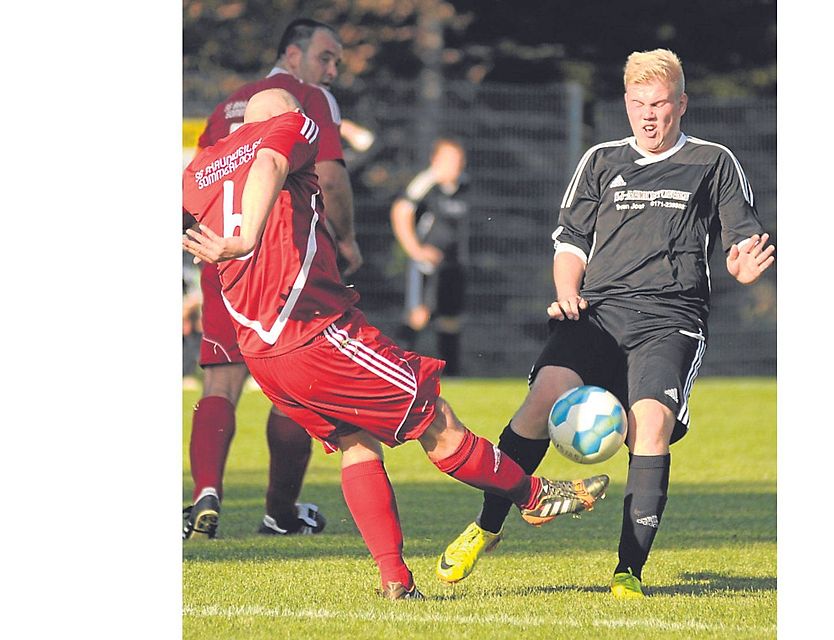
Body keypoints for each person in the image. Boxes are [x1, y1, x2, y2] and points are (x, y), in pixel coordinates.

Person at [182, 88, 611, 599]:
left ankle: (395, 581)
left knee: (355, 442)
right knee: (436, 418)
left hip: (263, 353)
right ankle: (533, 493)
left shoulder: (199, 168)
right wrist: (248, 237)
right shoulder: (289, 127)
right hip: (315, 332)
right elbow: (273, 160)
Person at [434, 49, 776, 599]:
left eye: (660, 104)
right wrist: (567, 293)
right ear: (625, 103)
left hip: (671, 319)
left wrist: (741, 266)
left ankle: (627, 571)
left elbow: (741, 246)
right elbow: (570, 242)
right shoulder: (600, 160)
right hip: (595, 311)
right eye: (638, 104)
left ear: (681, 104)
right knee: (543, 399)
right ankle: (487, 525)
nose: (648, 115)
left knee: (649, 425)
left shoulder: (713, 162)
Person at [183, 18, 362, 540]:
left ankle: (205, 494)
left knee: (220, 379)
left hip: (222, 254)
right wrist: (346, 239)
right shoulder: (308, 98)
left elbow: (197, 180)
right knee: (296, 387)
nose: (332, 70)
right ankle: (279, 511)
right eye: (326, 57)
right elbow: (329, 174)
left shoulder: (229, 104)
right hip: (283, 258)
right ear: (294, 54)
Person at [390, 138, 470, 374]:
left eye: (458, 159)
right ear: (435, 161)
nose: (455, 165)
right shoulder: (426, 183)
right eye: (449, 159)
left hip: (454, 264)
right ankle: (396, 369)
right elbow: (400, 212)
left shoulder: (465, 186)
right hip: (426, 265)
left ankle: (454, 376)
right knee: (419, 315)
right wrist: (415, 250)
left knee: (450, 319)